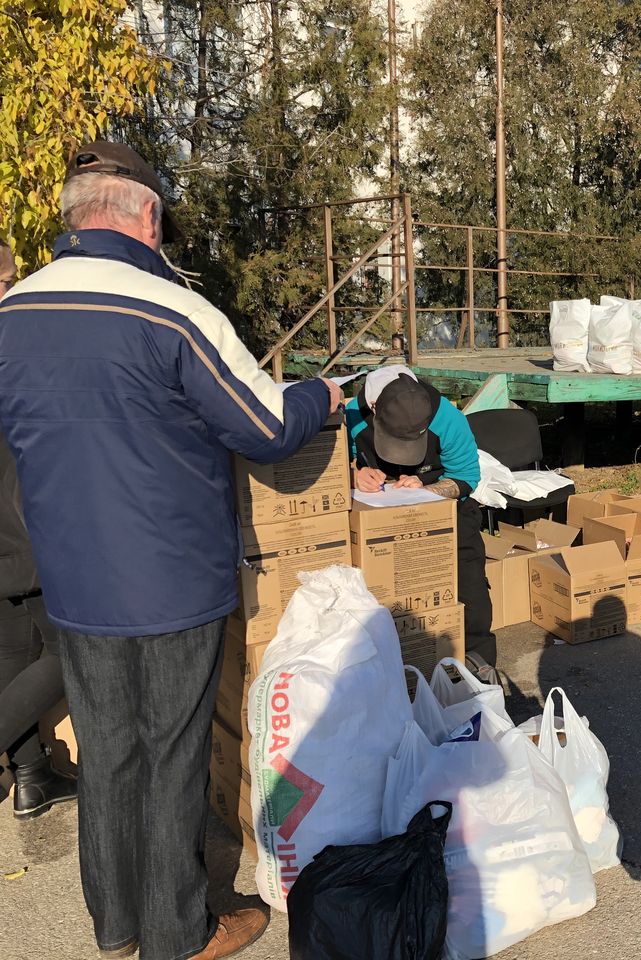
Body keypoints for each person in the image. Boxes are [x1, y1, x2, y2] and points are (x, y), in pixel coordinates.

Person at [0, 142, 344, 960]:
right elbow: (263, 428)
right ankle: (180, 931)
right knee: (171, 753)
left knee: (110, 747)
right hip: (170, 579)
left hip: (72, 577)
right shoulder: (174, 311)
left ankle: (114, 927)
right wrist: (318, 393)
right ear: (145, 214)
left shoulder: (13, 315)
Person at [349, 367, 496, 667]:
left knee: (470, 584)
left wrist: (428, 489)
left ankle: (478, 667)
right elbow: (334, 461)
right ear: (374, 409)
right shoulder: (351, 415)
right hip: (378, 509)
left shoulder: (448, 419)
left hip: (444, 503)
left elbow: (466, 478)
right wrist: (354, 474)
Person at [0, 434, 76, 820]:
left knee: (13, 652)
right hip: (27, 528)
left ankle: (31, 778)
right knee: (71, 654)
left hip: (8, 539)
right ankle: (30, 778)